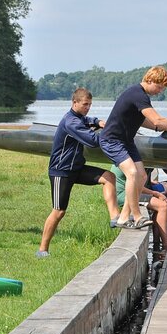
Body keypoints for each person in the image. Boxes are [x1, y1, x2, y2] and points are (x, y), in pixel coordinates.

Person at [99, 65, 167, 229]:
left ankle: (123, 218)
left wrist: (162, 127)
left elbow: (147, 122)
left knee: (141, 176)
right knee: (132, 173)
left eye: (163, 88)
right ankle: (137, 216)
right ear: (150, 80)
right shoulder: (138, 94)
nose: (160, 91)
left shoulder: (139, 96)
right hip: (112, 140)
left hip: (127, 141)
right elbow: (157, 120)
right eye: (159, 86)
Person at [37, 88, 120, 258]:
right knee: (59, 211)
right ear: (74, 103)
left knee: (109, 177)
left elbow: (88, 120)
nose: (87, 108)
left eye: (89, 104)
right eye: (85, 104)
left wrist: (98, 121)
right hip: (61, 171)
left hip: (77, 168)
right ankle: (42, 250)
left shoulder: (79, 118)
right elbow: (93, 140)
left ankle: (115, 218)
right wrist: (111, 132)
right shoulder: (70, 122)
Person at [111, 164, 167, 256]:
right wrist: (155, 193)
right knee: (162, 206)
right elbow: (134, 185)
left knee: (159, 206)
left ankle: (157, 244)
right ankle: (165, 246)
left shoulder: (131, 159)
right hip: (123, 194)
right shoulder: (133, 162)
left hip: (128, 192)